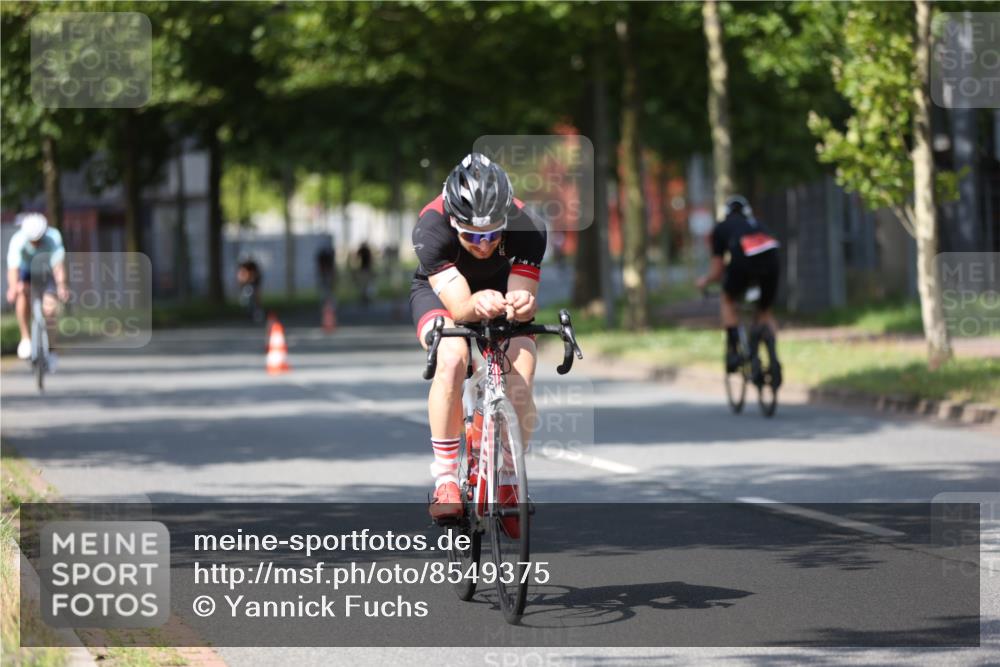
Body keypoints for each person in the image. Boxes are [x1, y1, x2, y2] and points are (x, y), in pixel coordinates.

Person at [411, 153, 546, 521]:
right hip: (442, 294)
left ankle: (507, 475)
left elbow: (524, 299)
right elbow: (460, 307)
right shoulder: (430, 227)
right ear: (454, 222)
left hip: (500, 288)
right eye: (472, 236)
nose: (484, 245)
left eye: (492, 234)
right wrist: (474, 302)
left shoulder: (528, 226)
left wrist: (521, 303)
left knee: (522, 363)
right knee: (453, 356)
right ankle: (445, 480)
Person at [696, 195, 782, 386]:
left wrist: (705, 281)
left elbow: (717, 271)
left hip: (742, 264)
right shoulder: (757, 224)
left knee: (727, 299)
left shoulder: (721, 228)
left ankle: (735, 351)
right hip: (772, 263)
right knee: (765, 311)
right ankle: (774, 359)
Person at [5, 212, 68, 367]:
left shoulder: (53, 237)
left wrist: (61, 286)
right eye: (33, 241)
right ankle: (25, 337)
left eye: (38, 240)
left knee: (50, 310)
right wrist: (13, 288)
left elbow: (58, 266)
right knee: (21, 294)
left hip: (47, 272)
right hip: (27, 273)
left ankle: (52, 349)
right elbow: (13, 268)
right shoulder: (18, 240)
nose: (36, 244)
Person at [236, 255, 262, 322]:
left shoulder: (254, 268)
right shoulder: (243, 268)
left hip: (253, 285)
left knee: (256, 298)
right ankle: (247, 311)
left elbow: (257, 278)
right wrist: (243, 282)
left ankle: (256, 312)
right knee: (245, 299)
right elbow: (240, 278)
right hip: (246, 285)